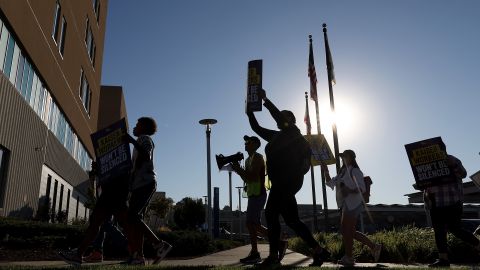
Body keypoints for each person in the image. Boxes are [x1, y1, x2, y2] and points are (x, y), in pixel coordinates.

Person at [247, 88, 329, 267]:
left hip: (288, 180)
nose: (280, 119)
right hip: (280, 182)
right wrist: (249, 111)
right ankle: (319, 251)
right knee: (292, 220)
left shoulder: (293, 132)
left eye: (284, 117)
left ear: (290, 120)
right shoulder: (276, 136)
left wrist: (266, 100)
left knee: (270, 213)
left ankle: (274, 257)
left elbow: (279, 118)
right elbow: (256, 128)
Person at [59, 162, 130, 265]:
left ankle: (127, 245)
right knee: (101, 223)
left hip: (112, 193)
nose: (93, 164)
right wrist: (95, 172)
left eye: (96, 163)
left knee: (103, 223)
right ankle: (97, 252)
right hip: (109, 193)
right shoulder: (99, 172)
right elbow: (95, 182)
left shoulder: (111, 165)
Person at [231, 135, 288, 264]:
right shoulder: (248, 160)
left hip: (259, 194)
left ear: (255, 145)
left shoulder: (258, 157)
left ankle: (274, 245)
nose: (246, 144)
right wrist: (238, 170)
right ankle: (260, 251)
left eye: (248, 142)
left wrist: (238, 169)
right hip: (253, 195)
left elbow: (252, 176)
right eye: (245, 142)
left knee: (252, 224)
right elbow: (246, 178)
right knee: (251, 224)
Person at [124, 117, 172, 265]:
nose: (135, 126)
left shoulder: (144, 139)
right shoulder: (140, 141)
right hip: (140, 184)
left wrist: (131, 141)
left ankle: (159, 245)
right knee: (136, 220)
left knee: (133, 217)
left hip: (145, 183)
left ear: (144, 127)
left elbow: (146, 155)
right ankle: (139, 257)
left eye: (137, 125)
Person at [322, 149, 382, 266]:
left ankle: (349, 257)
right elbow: (330, 183)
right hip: (346, 204)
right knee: (350, 231)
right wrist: (326, 171)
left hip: (353, 203)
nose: (343, 158)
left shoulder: (355, 171)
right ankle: (374, 247)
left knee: (346, 230)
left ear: (351, 158)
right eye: (342, 157)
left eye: (345, 156)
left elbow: (362, 188)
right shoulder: (342, 172)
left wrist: (349, 190)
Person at [423, 153, 480, 267]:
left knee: (455, 229)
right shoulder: (426, 163)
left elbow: (463, 174)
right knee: (439, 232)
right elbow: (425, 181)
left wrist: (453, 165)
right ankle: (443, 260)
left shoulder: (453, 159)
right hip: (435, 201)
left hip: (452, 200)